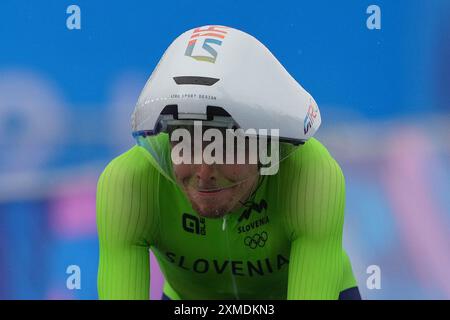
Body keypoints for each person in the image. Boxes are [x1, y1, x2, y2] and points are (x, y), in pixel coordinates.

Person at [96, 25, 361, 300]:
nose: (204, 171)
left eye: (225, 147)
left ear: (265, 144)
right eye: (187, 144)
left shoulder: (310, 175)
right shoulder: (129, 183)